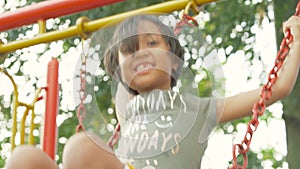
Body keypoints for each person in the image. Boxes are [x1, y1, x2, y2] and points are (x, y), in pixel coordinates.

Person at [4, 13, 300, 169]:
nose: (140, 54)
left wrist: (297, 39)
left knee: (82, 148)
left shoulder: (198, 109)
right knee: (23, 159)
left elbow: (278, 88)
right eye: (130, 50)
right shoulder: (126, 110)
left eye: (151, 44)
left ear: (174, 61)